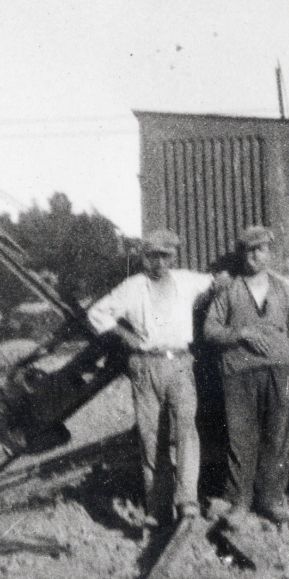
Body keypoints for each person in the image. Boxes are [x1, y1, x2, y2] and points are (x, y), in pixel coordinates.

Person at [87, 228, 214, 533]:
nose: (158, 262)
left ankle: (187, 500)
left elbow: (215, 283)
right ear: (144, 257)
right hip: (145, 366)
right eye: (152, 256)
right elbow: (97, 314)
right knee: (150, 437)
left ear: (173, 257)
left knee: (186, 431)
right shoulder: (133, 287)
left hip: (180, 363)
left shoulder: (187, 280)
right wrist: (125, 335)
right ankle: (157, 507)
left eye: (164, 256)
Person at [204, 226, 289, 527]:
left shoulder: (282, 289)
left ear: (269, 253)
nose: (255, 256)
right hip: (239, 371)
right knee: (241, 439)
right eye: (249, 250)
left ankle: (272, 501)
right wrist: (241, 333)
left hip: (280, 370)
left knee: (278, 437)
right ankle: (239, 502)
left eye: (261, 249)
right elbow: (210, 330)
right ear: (242, 254)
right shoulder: (230, 290)